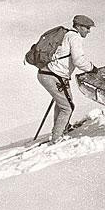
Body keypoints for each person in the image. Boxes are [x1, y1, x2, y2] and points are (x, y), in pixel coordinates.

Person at [37, 15, 98, 143]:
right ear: (79, 26)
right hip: (54, 76)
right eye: (87, 28)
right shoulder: (75, 38)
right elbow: (78, 60)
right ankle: (57, 137)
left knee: (63, 103)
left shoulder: (66, 34)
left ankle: (62, 128)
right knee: (67, 107)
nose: (88, 31)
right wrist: (92, 68)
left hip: (47, 73)